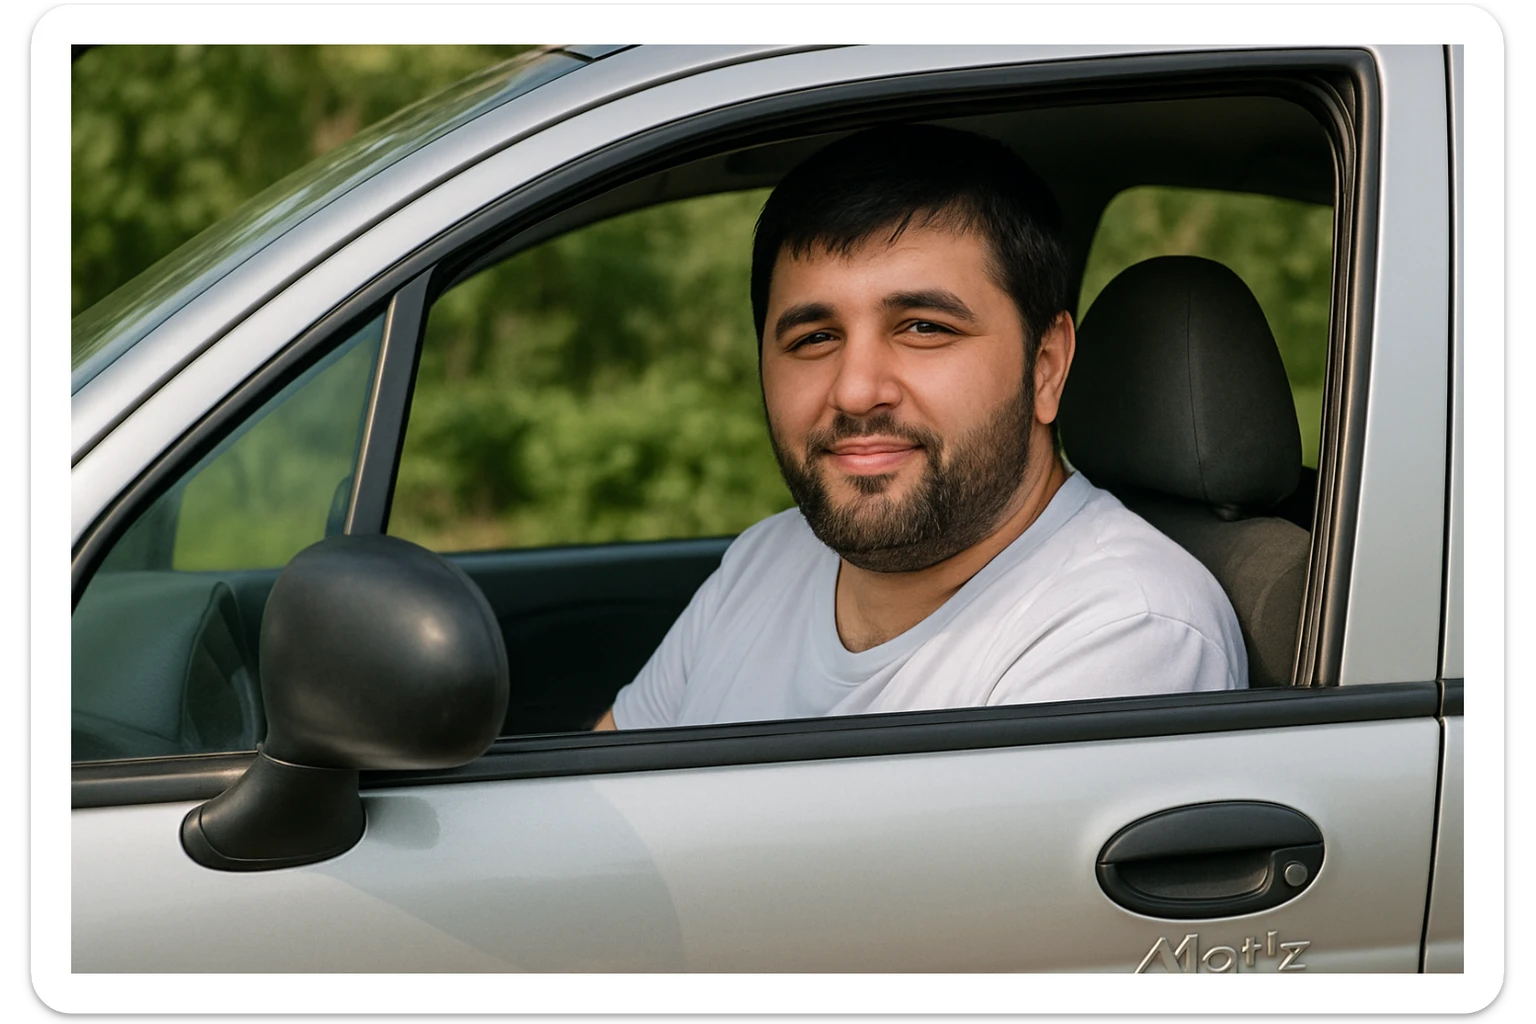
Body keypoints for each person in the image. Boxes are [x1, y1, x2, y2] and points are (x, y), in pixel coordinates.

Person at [594, 124, 1245, 730]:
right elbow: (598, 800)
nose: (855, 390)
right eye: (815, 337)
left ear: (1045, 367)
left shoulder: (1125, 630)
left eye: (924, 328)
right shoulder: (766, 559)